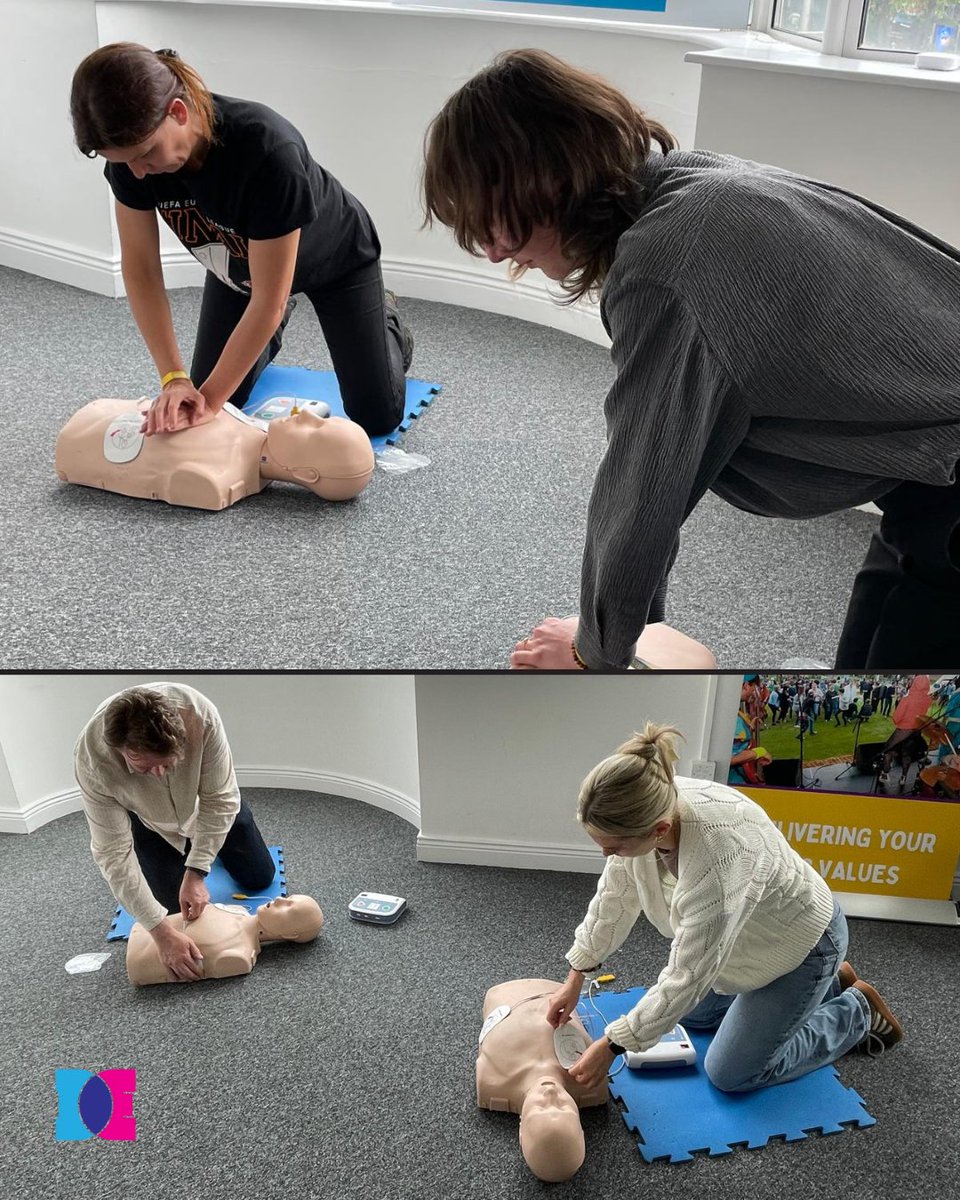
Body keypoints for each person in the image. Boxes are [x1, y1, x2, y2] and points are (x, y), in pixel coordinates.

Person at [422, 49, 960, 670]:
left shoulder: (668, 267)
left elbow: (642, 484)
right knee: (858, 700)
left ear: (548, 180)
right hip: (925, 487)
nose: (493, 255)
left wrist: (590, 653)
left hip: (949, 495)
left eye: (495, 228)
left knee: (897, 743)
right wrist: (625, 636)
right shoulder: (696, 182)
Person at [70, 43, 413, 440]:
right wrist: (174, 379)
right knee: (214, 397)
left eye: (145, 155)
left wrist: (208, 403)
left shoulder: (267, 150)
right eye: (124, 161)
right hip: (240, 269)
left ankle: (384, 318)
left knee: (376, 417)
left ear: (178, 113)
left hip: (337, 261)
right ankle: (270, 323)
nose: (138, 173)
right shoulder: (134, 162)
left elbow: (269, 300)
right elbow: (142, 270)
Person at [545, 724, 903, 1095]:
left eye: (613, 848)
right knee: (694, 1016)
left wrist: (613, 1046)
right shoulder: (651, 798)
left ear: (659, 829)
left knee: (730, 1073)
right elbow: (614, 898)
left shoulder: (717, 859)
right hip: (748, 941)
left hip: (805, 944)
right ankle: (828, 986)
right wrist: (576, 976)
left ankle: (857, 1011)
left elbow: (689, 973)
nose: (606, 856)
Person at [75, 683, 276, 981]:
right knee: (169, 912)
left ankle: (206, 849)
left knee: (261, 877)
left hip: (208, 808)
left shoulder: (200, 716)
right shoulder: (93, 763)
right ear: (121, 750)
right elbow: (112, 853)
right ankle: (187, 853)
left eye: (167, 764)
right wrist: (159, 933)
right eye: (145, 768)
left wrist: (197, 870)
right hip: (150, 824)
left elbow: (219, 800)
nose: (158, 774)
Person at [56, 397, 375, 509]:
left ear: (307, 474)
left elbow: (183, 479)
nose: (308, 416)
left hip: (87, 441)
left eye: (316, 430)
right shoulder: (251, 431)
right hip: (115, 414)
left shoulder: (221, 478)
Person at [476, 979, 607, 1182]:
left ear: (521, 1131)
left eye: (540, 1108)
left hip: (504, 993)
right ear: (581, 1128)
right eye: (563, 1107)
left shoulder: (494, 1079)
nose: (550, 1094)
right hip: (561, 990)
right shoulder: (591, 1077)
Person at [126, 895, 323, 985]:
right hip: (143, 928)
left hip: (136, 961)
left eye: (289, 907)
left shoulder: (238, 956)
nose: (280, 900)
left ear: (290, 935)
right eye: (288, 897)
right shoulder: (236, 911)